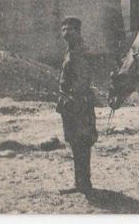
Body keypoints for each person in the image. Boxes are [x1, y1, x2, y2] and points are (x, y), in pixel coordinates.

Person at [56, 17, 98, 194]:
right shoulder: (71, 50)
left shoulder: (79, 51)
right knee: (75, 142)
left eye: (69, 30)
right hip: (71, 102)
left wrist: (72, 97)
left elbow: (82, 80)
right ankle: (80, 182)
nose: (65, 33)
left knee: (81, 142)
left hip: (78, 103)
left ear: (77, 32)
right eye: (63, 30)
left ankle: (84, 183)